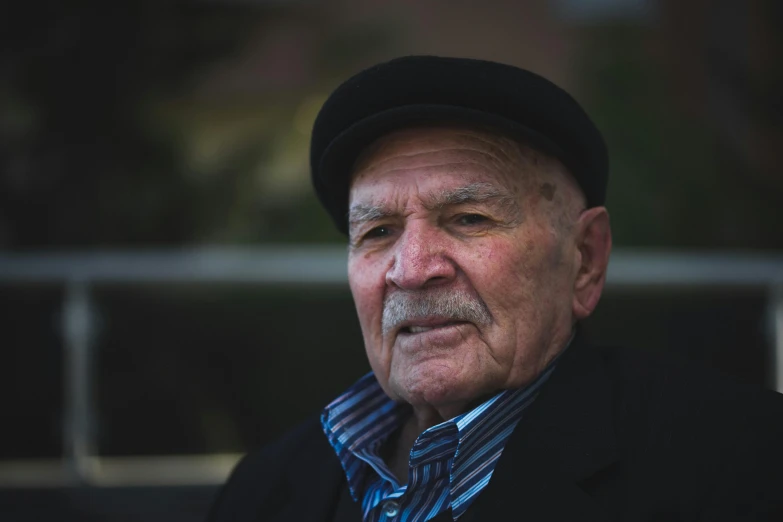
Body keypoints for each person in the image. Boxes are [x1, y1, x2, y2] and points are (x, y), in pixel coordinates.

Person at [207, 56, 783, 522]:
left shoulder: (745, 465)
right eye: (378, 231)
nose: (410, 269)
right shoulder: (264, 489)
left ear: (584, 259)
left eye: (470, 219)